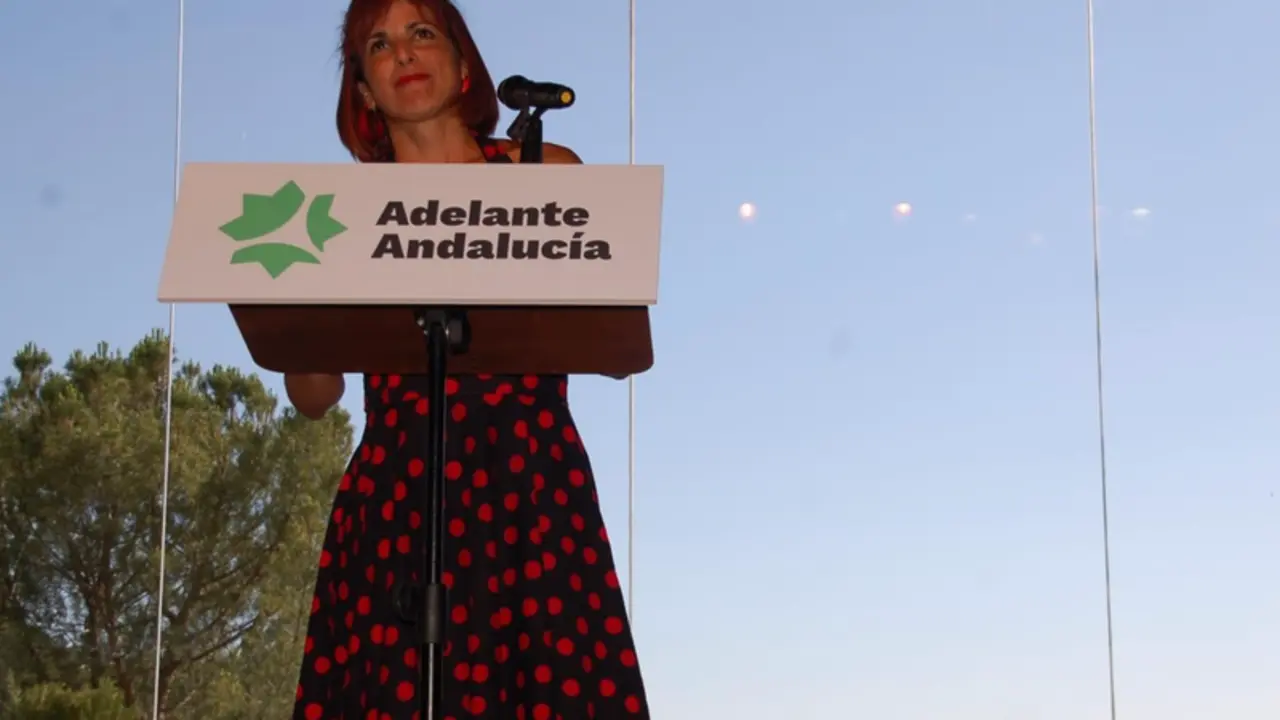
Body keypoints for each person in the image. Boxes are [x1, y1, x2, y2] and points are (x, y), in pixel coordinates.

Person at [285, 0, 650, 717]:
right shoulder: (337, 209)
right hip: (398, 490)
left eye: (423, 33)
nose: (404, 54)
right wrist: (287, 295)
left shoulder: (545, 171)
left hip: (529, 483)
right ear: (363, 89)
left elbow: (613, 347)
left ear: (461, 68)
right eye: (379, 46)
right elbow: (313, 395)